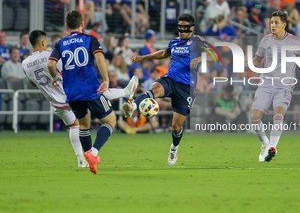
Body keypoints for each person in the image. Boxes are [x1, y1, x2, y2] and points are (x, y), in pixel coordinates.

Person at [47, 10, 138, 174]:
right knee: (110, 121)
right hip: (90, 89)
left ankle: (90, 161)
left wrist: (54, 78)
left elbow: (51, 65)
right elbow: (100, 58)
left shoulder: (60, 43)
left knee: (83, 125)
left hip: (72, 93)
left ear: (67, 26)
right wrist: (106, 80)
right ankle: (93, 153)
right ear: (83, 24)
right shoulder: (90, 39)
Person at [123, 14, 216, 165]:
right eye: (179, 27)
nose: (181, 31)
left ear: (191, 28)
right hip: (170, 79)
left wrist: (200, 59)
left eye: (184, 28)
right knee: (154, 89)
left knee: (176, 126)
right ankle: (132, 105)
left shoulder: (197, 41)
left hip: (186, 87)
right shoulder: (174, 42)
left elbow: (215, 56)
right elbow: (163, 53)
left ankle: (174, 147)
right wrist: (144, 57)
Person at [249, 10, 300, 162]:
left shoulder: (295, 42)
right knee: (254, 117)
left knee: (278, 114)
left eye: (276, 22)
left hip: (284, 85)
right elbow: (257, 60)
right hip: (265, 83)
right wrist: (249, 63)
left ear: (284, 24)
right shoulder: (265, 41)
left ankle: (272, 148)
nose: (273, 25)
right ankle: (265, 143)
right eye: (272, 22)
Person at [23, 30, 88, 168]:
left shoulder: (25, 63)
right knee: (99, 94)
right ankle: (124, 92)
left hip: (55, 103)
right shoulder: (51, 54)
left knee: (74, 126)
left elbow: (34, 83)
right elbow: (67, 70)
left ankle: (81, 160)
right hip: (70, 95)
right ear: (42, 42)